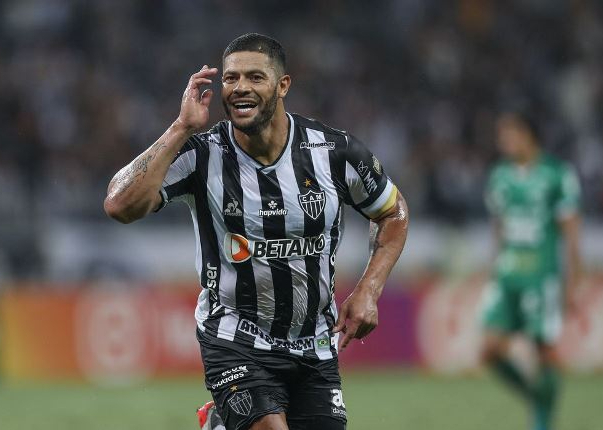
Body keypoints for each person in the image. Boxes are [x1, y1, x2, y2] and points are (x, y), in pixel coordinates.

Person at [104, 33, 408, 430]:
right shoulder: (202, 154)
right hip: (234, 338)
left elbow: (393, 212)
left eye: (255, 77)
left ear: (283, 86)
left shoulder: (333, 153)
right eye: (231, 78)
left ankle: (219, 424)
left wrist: (369, 289)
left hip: (314, 343)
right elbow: (119, 205)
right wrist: (181, 127)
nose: (240, 87)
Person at [481, 110, 582, 430]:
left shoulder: (557, 175)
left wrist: (573, 283)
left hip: (542, 275)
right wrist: (492, 270)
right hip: (507, 274)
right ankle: (538, 398)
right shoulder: (500, 176)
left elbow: (571, 234)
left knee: (545, 351)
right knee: (489, 350)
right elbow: (498, 229)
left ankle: (542, 421)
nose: (503, 141)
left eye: (509, 133)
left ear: (528, 134)